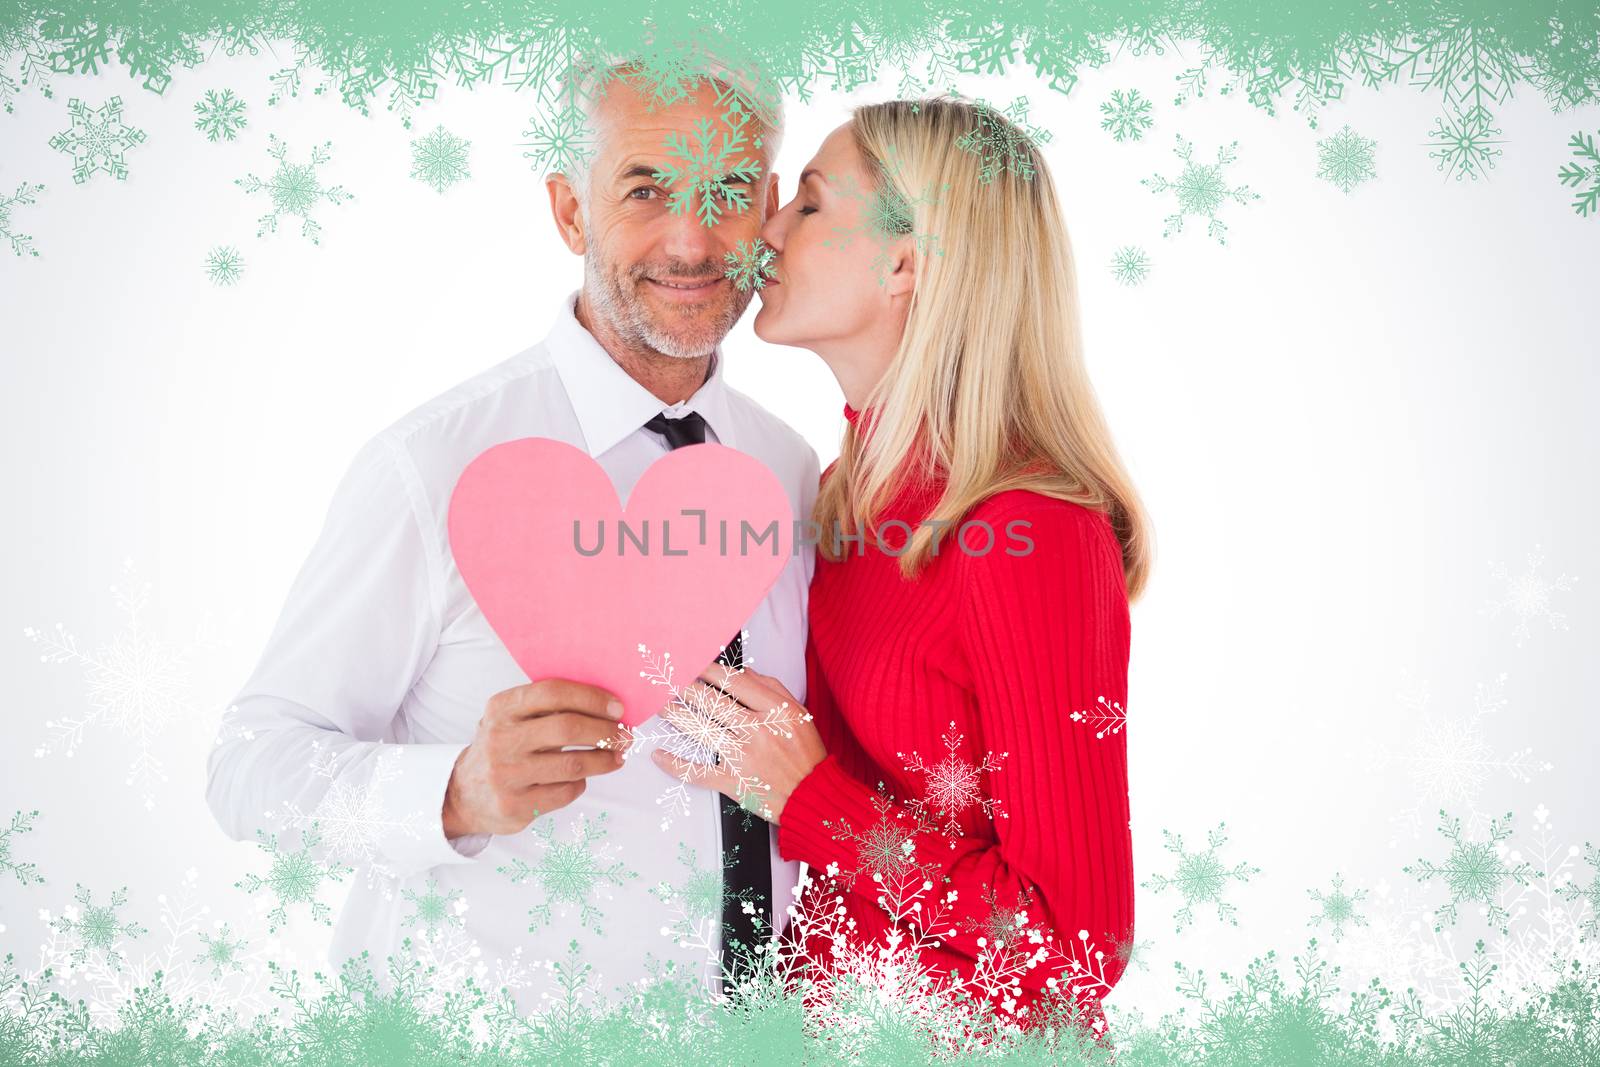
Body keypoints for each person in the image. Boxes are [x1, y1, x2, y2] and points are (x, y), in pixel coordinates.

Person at [204, 56, 819, 1015]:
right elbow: (250, 762)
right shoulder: (433, 465)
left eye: (729, 190)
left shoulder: (791, 470)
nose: (693, 240)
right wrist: (451, 792)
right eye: (646, 188)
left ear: (771, 207)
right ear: (570, 210)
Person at [652, 96, 1151, 1044]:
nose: (767, 229)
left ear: (907, 262)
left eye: (808, 202)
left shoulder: (1031, 529)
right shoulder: (845, 498)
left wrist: (811, 803)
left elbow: (1077, 944)